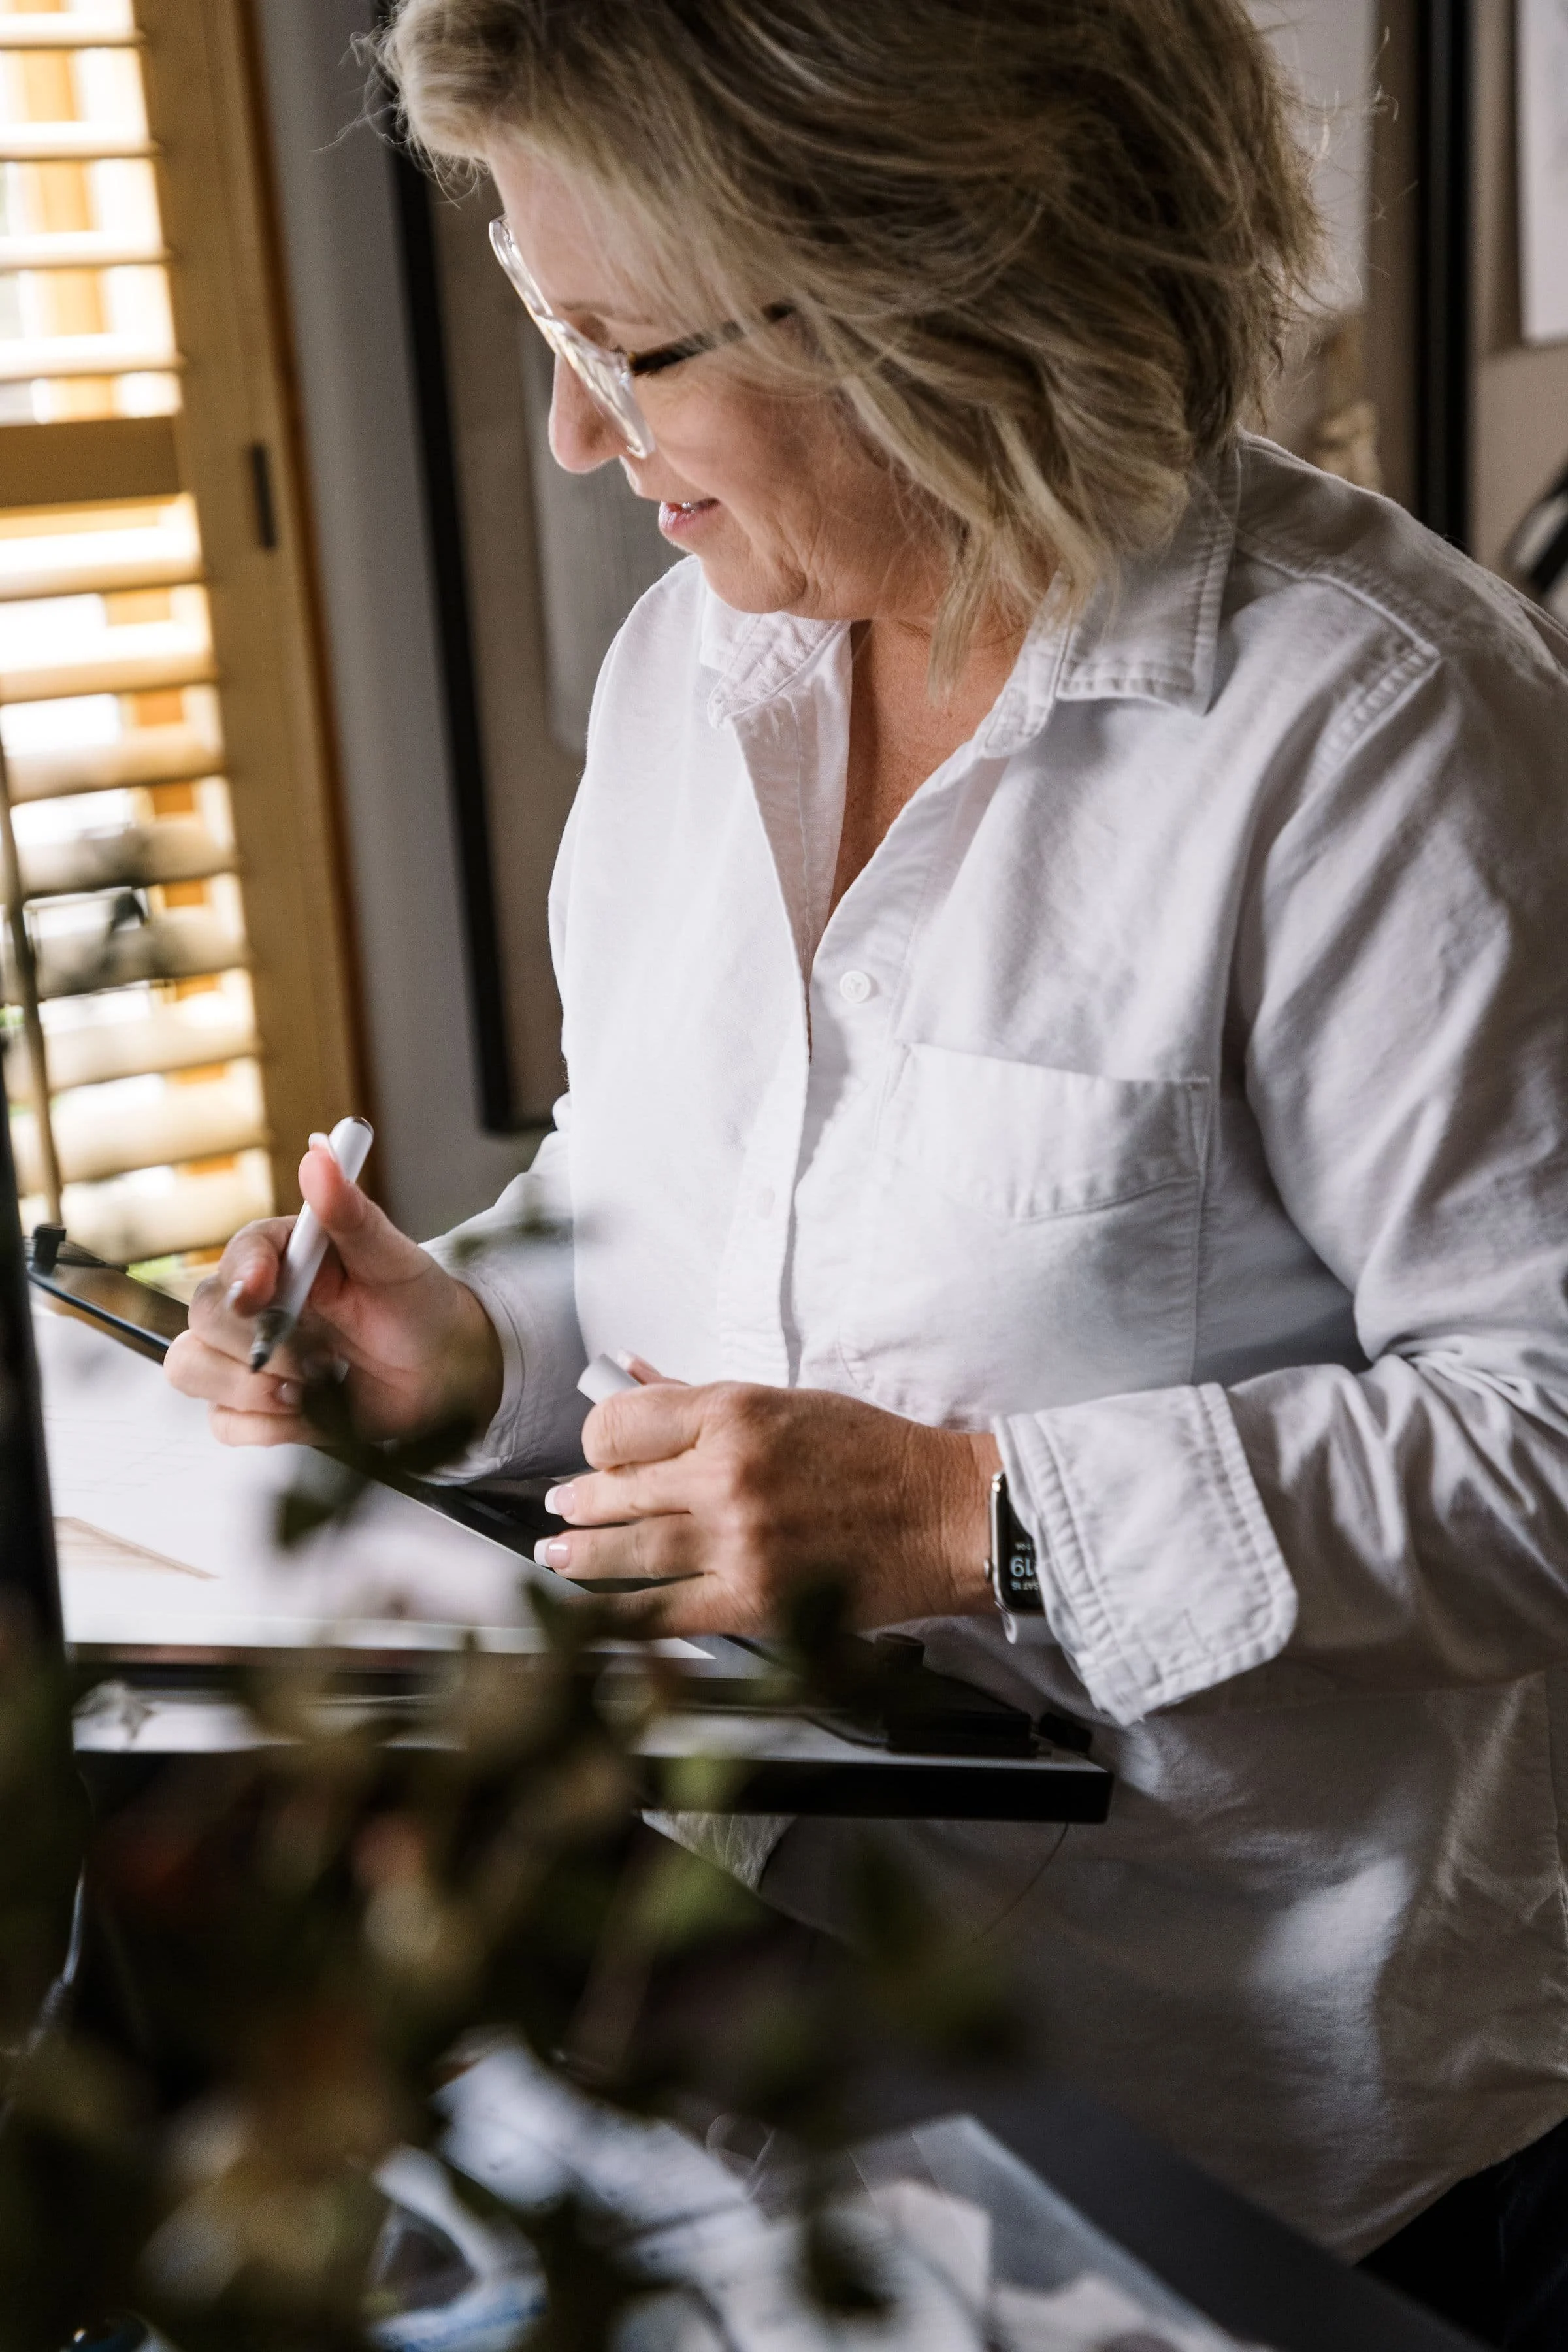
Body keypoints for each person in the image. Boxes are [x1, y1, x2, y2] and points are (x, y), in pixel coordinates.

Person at [164, 1, 1568, 2334]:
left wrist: (965, 1515)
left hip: (1284, 2154)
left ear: (928, 275)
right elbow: (692, 1224)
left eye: (624, 350)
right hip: (760, 2044)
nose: (571, 438)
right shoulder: (681, 681)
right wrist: (478, 1343)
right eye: (546, 327)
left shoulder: (1387, 733)